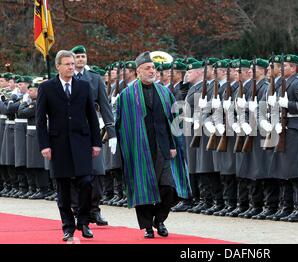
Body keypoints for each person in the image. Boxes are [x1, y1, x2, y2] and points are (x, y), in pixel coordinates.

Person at [115, 51, 190, 239]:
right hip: (140, 150)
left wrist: (174, 145)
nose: (152, 71)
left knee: (169, 188)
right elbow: (121, 124)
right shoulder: (127, 95)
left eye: (153, 68)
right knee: (144, 188)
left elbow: (173, 121)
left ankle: (160, 219)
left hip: (163, 148)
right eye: (148, 68)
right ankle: (148, 226)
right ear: (138, 71)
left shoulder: (165, 92)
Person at [36, 50, 102, 241]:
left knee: (86, 182)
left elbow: (91, 115)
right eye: (67, 64)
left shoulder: (83, 86)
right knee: (63, 189)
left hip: (82, 141)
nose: (71, 67)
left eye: (73, 64)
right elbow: (41, 120)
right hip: (59, 144)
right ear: (58, 66)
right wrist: (44, 145)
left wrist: (96, 142)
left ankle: (83, 221)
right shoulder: (47, 88)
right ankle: (68, 226)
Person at [70, 45, 116, 226]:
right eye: (77, 56)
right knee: (74, 173)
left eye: (83, 56)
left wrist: (111, 132)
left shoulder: (95, 79)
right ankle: (77, 209)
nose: (80, 59)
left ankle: (94, 209)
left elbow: (105, 106)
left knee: (97, 172)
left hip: (92, 128)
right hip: (72, 129)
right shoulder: (66, 78)